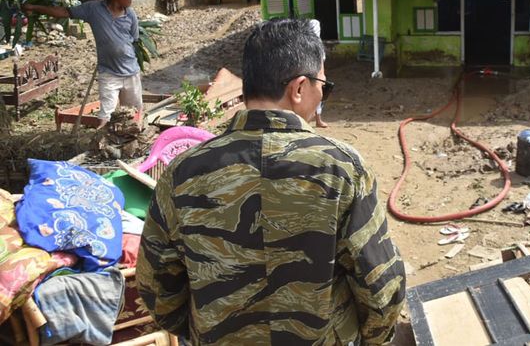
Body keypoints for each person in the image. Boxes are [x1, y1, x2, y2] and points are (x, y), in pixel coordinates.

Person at [137, 18, 405, 345]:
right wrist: (369, 339)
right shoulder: (342, 168)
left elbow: (156, 286)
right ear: (299, 88)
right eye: (324, 85)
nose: (323, 94)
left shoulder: (182, 172)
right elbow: (380, 285)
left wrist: (203, 330)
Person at [22, 0, 142, 127]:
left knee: (134, 113)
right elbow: (65, 12)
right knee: (105, 115)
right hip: (109, 73)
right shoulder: (93, 9)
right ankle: (101, 144)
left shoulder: (130, 15)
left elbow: (134, 39)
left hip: (131, 72)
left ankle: (132, 143)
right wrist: (34, 7)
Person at [310, 18, 328, 128]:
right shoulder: (311, 44)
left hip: (315, 74)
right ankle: (316, 120)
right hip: (311, 74)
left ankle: (318, 120)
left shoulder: (318, 44)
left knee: (317, 98)